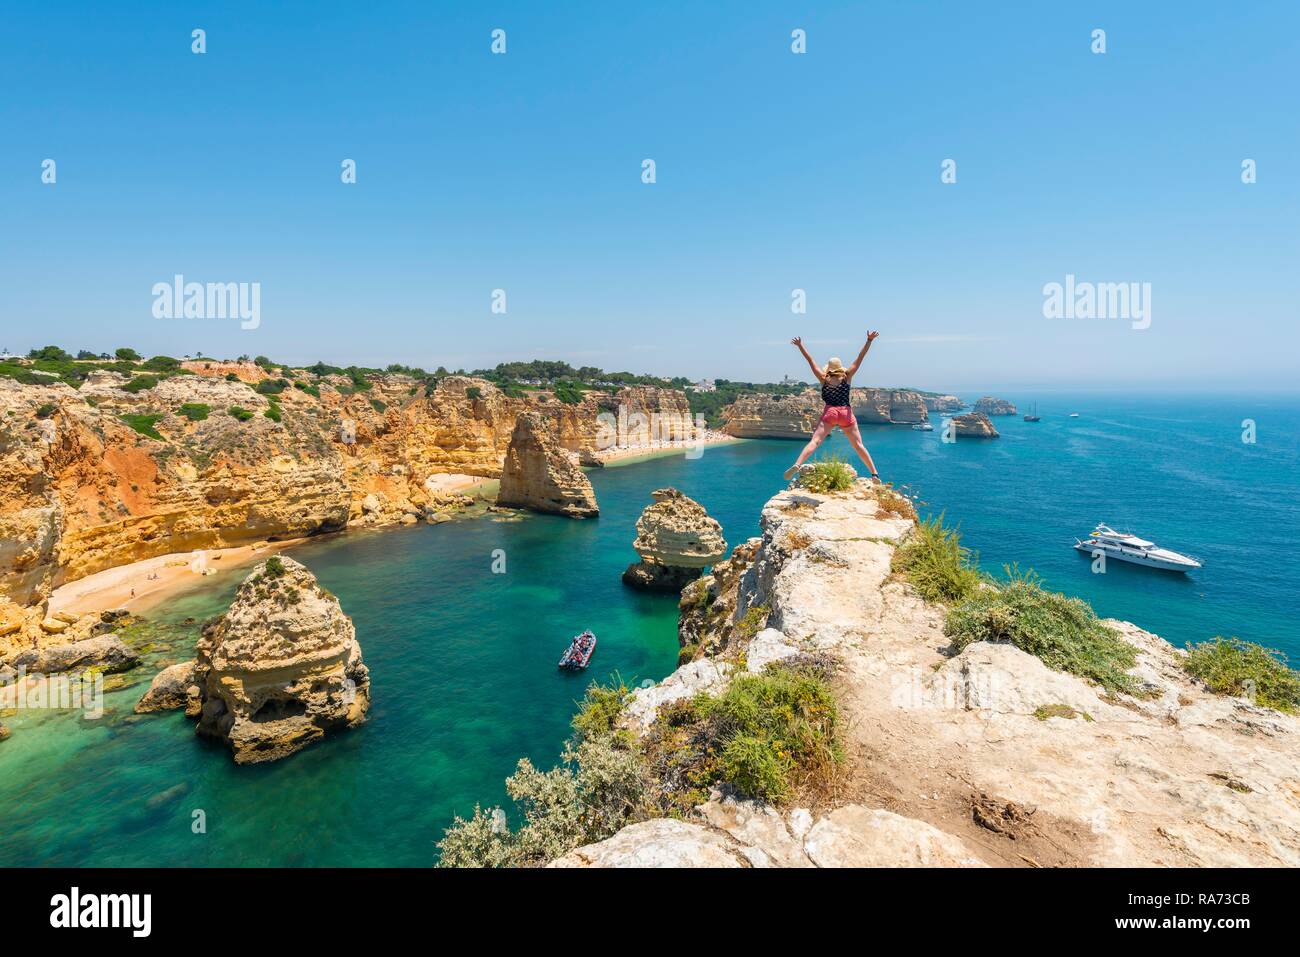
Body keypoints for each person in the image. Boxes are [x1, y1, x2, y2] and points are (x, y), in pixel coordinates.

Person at [783, 331, 882, 482]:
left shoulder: (823, 378)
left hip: (830, 413)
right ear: (840, 367)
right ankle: (874, 473)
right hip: (846, 413)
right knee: (858, 445)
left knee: (815, 441)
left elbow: (811, 361)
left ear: (828, 368)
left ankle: (797, 464)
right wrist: (869, 340)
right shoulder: (847, 376)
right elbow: (860, 358)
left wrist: (800, 346)